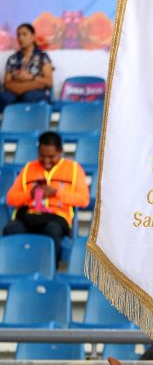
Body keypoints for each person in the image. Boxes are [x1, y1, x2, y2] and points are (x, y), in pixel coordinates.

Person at [4, 131, 89, 264]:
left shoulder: (74, 169)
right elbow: (10, 199)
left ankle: (47, 274)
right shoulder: (29, 168)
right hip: (30, 216)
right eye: (42, 156)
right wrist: (29, 194)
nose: (46, 161)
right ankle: (12, 271)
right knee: (11, 229)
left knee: (52, 231)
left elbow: (83, 200)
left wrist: (56, 193)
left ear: (60, 151)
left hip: (58, 218)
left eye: (51, 156)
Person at [0, 23, 54, 111]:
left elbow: (49, 82)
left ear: (33, 37)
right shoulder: (12, 58)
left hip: (35, 94)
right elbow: (7, 84)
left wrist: (30, 77)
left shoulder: (43, 57)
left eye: (24, 34)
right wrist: (33, 84)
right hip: (15, 93)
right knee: (4, 98)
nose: (21, 38)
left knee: (30, 97)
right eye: (18, 35)